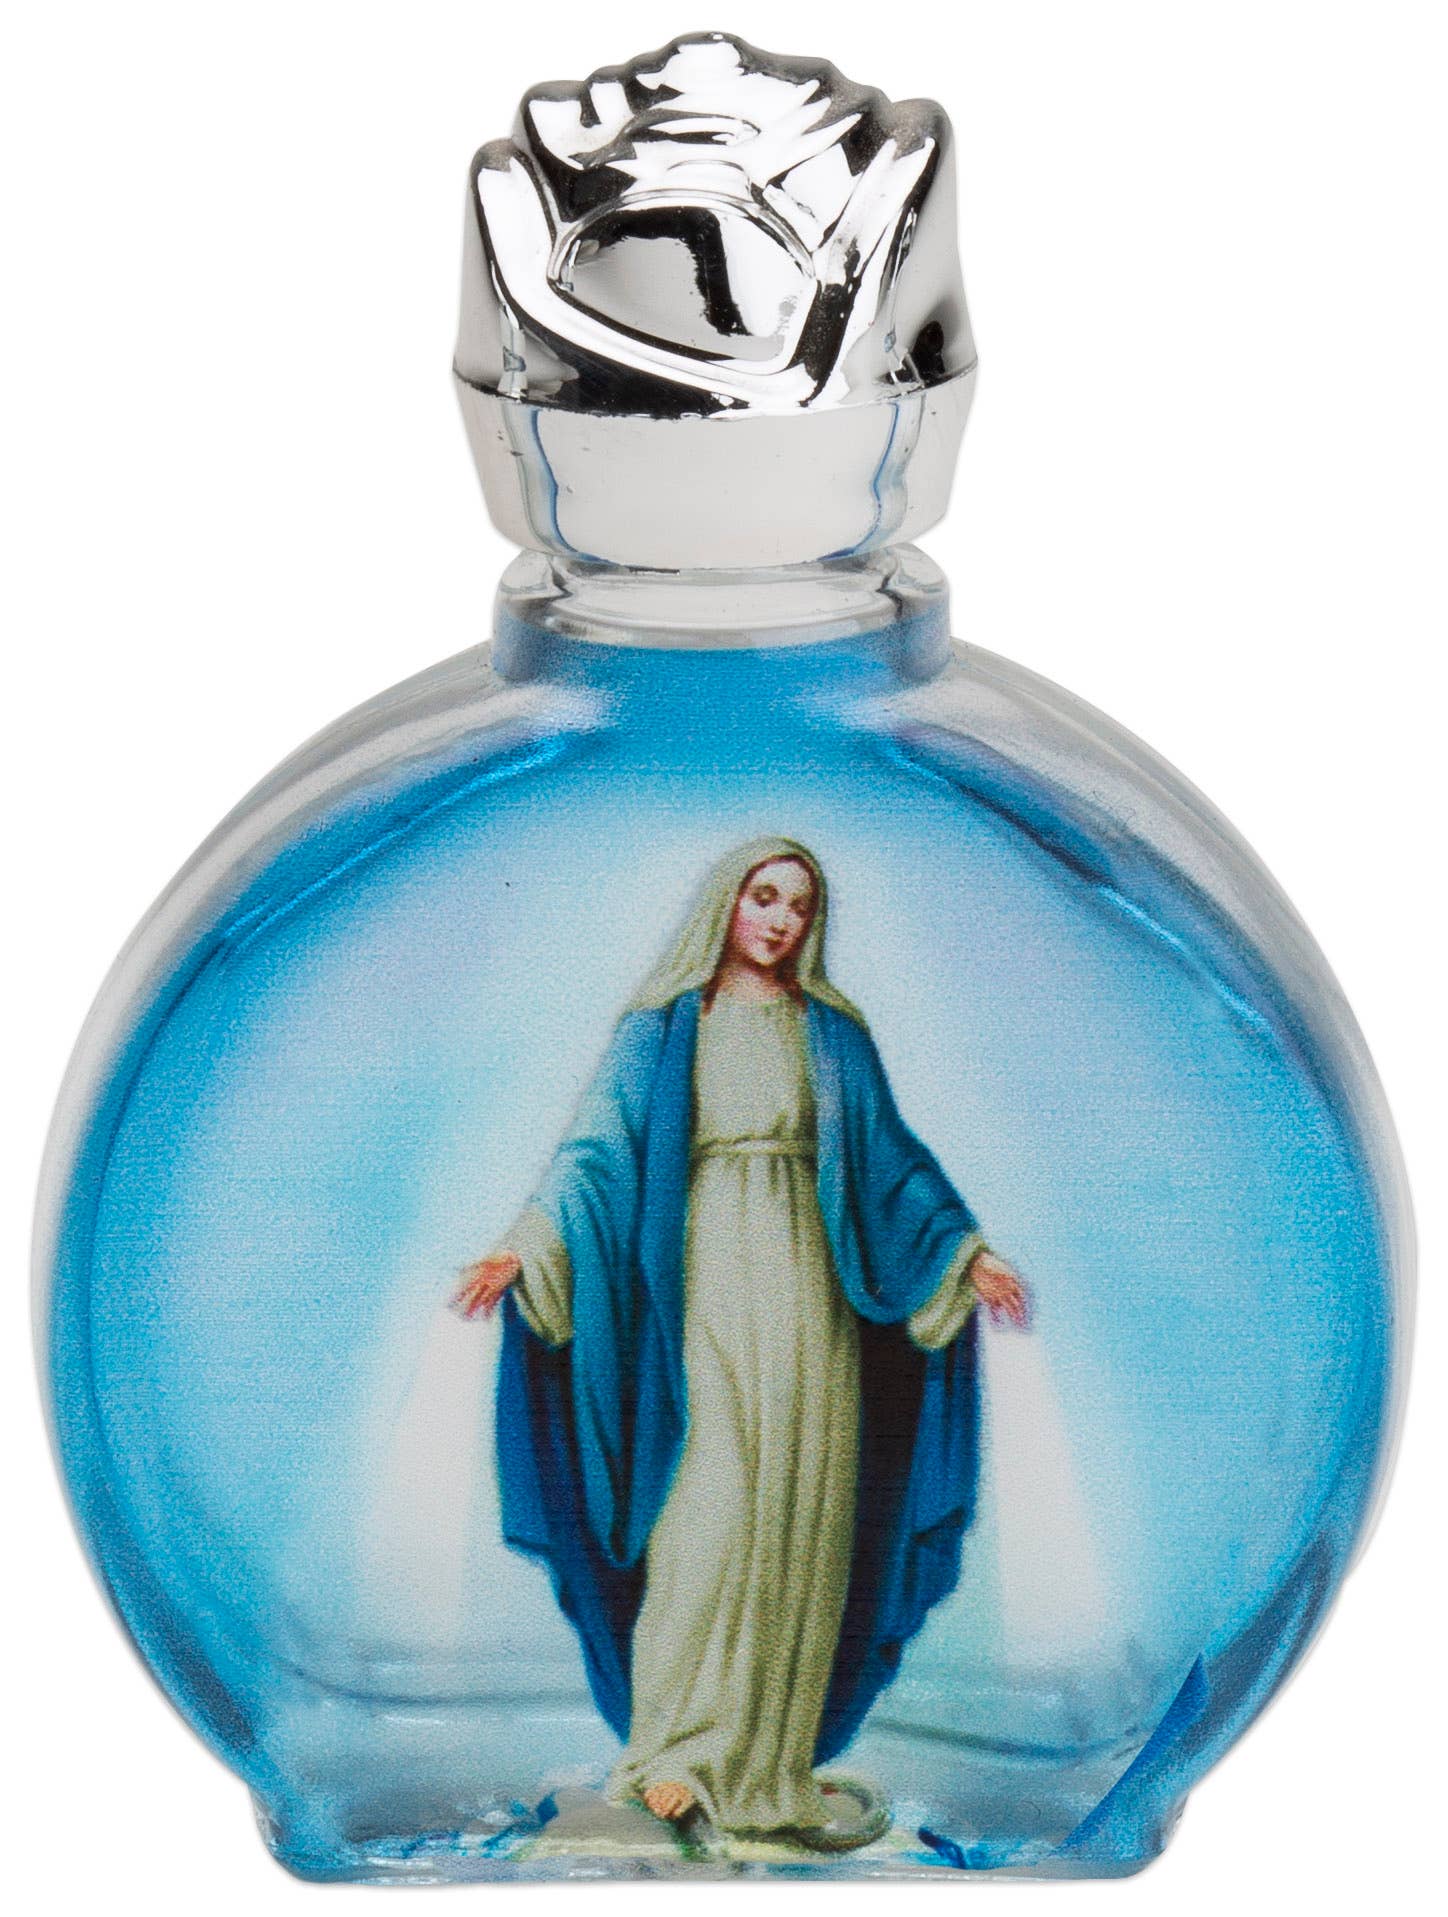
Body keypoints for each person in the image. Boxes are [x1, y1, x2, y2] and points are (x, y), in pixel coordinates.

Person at [453, 836, 1028, 1844]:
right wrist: (524, 1246)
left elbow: (890, 1164)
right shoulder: (663, 1029)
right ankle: (672, 1752)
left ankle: (766, 1769)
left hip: (811, 1295)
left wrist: (962, 1252)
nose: (779, 920)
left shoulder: (831, 1034)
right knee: (708, 1509)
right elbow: (595, 1158)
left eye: (798, 906)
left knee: (798, 1510)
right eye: (764, 897)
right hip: (702, 1284)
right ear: (727, 901)